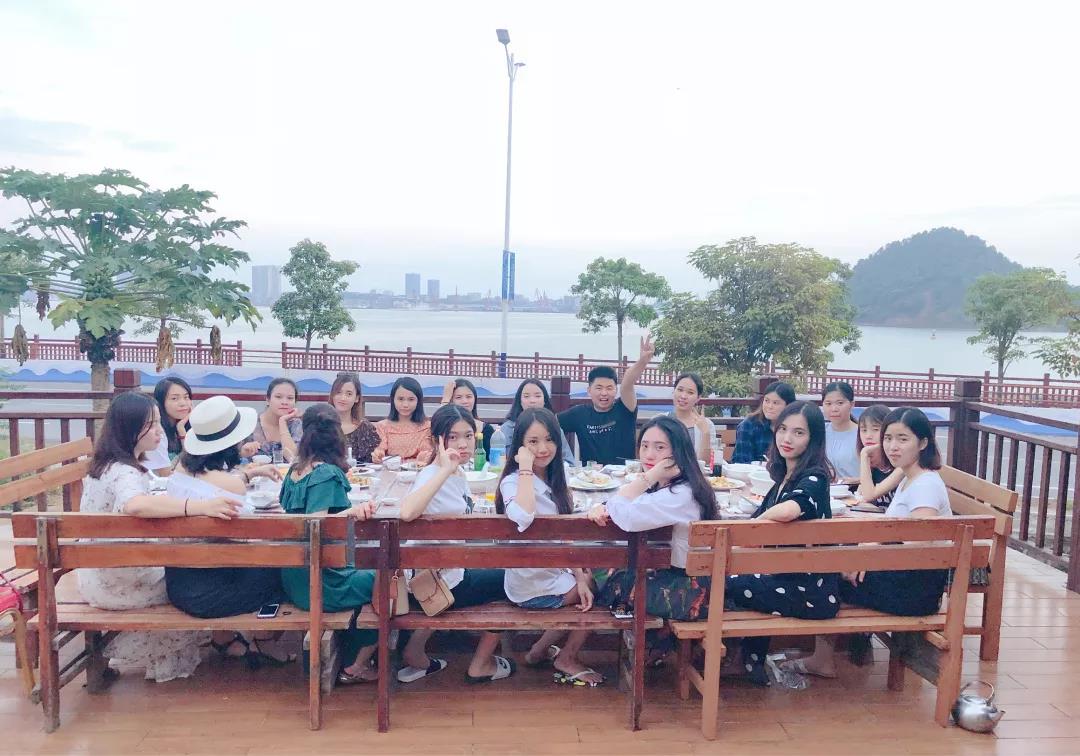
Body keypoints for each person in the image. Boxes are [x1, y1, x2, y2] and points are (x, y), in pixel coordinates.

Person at [76, 392, 241, 682]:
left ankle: (225, 638)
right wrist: (198, 507)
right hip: (121, 582)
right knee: (200, 578)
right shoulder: (124, 471)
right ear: (129, 429)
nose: (159, 430)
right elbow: (135, 504)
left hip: (97, 572)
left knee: (193, 557)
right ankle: (226, 637)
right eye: (150, 425)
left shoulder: (108, 464)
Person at [782, 407, 953, 679]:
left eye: (902, 439)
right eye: (888, 438)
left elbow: (920, 550)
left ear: (923, 443)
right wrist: (866, 552)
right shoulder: (911, 476)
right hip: (906, 580)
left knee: (821, 576)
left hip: (913, 593)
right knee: (831, 563)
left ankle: (821, 655)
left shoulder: (925, 486)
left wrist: (869, 555)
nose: (892, 446)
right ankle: (827, 652)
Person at [164, 395, 292, 664]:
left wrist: (249, 473)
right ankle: (264, 640)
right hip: (214, 595)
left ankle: (223, 638)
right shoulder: (231, 485)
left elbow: (211, 482)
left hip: (180, 585)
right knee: (287, 570)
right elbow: (251, 537)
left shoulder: (180, 470)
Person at [723, 400, 839, 686]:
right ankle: (748, 660)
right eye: (783, 429)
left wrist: (751, 528)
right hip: (790, 580)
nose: (787, 438)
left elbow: (790, 509)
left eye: (799, 433)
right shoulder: (786, 477)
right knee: (738, 577)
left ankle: (744, 661)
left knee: (724, 583)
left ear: (813, 439)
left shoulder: (815, 477)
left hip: (810, 592)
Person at [398, 404, 515, 684]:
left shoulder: (455, 473)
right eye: (453, 437)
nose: (463, 444)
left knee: (496, 565)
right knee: (514, 582)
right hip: (443, 583)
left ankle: (415, 649)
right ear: (437, 440)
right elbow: (407, 512)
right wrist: (445, 469)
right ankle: (481, 664)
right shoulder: (434, 475)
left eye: (468, 436)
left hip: (437, 575)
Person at [588, 415, 717, 664]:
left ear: (678, 453)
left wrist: (648, 477)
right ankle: (655, 646)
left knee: (601, 573)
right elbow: (626, 504)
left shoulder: (680, 494)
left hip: (689, 594)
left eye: (660, 447)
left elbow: (627, 516)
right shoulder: (676, 486)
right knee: (600, 569)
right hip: (678, 580)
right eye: (645, 445)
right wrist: (605, 505)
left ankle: (561, 648)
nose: (649, 454)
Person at [497, 408, 602, 687]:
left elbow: (565, 538)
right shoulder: (513, 481)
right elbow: (523, 516)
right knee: (598, 589)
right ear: (520, 446)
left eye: (549, 439)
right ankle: (566, 657)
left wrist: (579, 576)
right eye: (533, 442)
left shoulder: (554, 477)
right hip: (532, 588)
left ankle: (538, 651)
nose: (543, 449)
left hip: (545, 576)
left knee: (591, 578)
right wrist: (524, 467)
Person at [278, 404, 382, 685]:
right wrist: (351, 513)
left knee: (372, 567)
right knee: (391, 578)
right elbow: (316, 522)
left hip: (294, 579)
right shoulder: (327, 474)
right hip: (322, 584)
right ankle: (357, 662)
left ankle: (353, 649)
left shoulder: (295, 471)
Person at [558, 334, 654, 466]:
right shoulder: (579, 414)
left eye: (609, 388)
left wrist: (642, 361)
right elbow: (548, 423)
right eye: (599, 388)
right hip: (591, 475)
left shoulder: (625, 408)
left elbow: (627, 383)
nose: (604, 393)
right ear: (589, 390)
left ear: (615, 390)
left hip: (623, 473)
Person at [501, 378, 576, 465]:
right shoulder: (508, 428)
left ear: (544, 401)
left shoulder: (554, 426)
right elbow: (501, 461)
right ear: (520, 401)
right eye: (526, 396)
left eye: (537, 396)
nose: (532, 401)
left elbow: (569, 462)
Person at [372, 377, 433, 464]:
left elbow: (427, 453)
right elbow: (380, 450)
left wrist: (425, 457)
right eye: (400, 399)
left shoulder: (427, 427)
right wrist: (377, 455)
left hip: (418, 469)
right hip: (389, 469)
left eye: (411, 399)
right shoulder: (382, 426)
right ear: (393, 399)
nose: (405, 405)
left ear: (418, 401)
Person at [732, 381, 796, 464]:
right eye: (766, 401)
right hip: (753, 471)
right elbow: (741, 462)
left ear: (788, 406)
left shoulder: (796, 427)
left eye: (775, 403)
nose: (770, 406)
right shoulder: (749, 425)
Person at [144, 376, 194, 476]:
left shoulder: (186, 426)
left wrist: (181, 429)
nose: (183, 403)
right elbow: (165, 475)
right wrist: (182, 433)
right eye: (174, 398)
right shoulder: (157, 433)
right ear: (161, 402)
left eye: (186, 397)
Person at [856, 404, 902, 506]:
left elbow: (869, 496)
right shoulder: (872, 465)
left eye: (876, 429)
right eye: (864, 430)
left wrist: (864, 454)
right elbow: (861, 496)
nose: (868, 436)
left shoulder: (902, 466)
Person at [247, 378, 303, 462]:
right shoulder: (251, 423)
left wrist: (282, 422)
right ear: (268, 399)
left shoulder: (296, 425)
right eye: (278, 397)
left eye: (290, 398)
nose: (284, 402)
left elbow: (293, 458)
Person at [329, 372, 379, 464]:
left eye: (349, 394)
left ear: (357, 398)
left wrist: (377, 457)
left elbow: (373, 460)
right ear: (332, 395)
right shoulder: (321, 426)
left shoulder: (366, 428)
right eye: (338, 392)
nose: (343, 398)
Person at [441, 378, 496, 457]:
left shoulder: (486, 429)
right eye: (458, 397)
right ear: (451, 400)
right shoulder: (445, 426)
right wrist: (445, 399)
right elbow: (439, 423)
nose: (465, 401)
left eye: (469, 397)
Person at [669, 372, 715, 462]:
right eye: (680, 390)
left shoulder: (707, 424)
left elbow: (706, 463)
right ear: (674, 391)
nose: (683, 396)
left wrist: (705, 433)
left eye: (690, 392)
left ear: (698, 398)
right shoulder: (660, 420)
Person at [822, 381, 859, 482]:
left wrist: (857, 480)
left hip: (855, 489)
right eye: (828, 404)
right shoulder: (820, 432)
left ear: (852, 404)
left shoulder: (862, 434)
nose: (834, 409)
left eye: (840, 403)